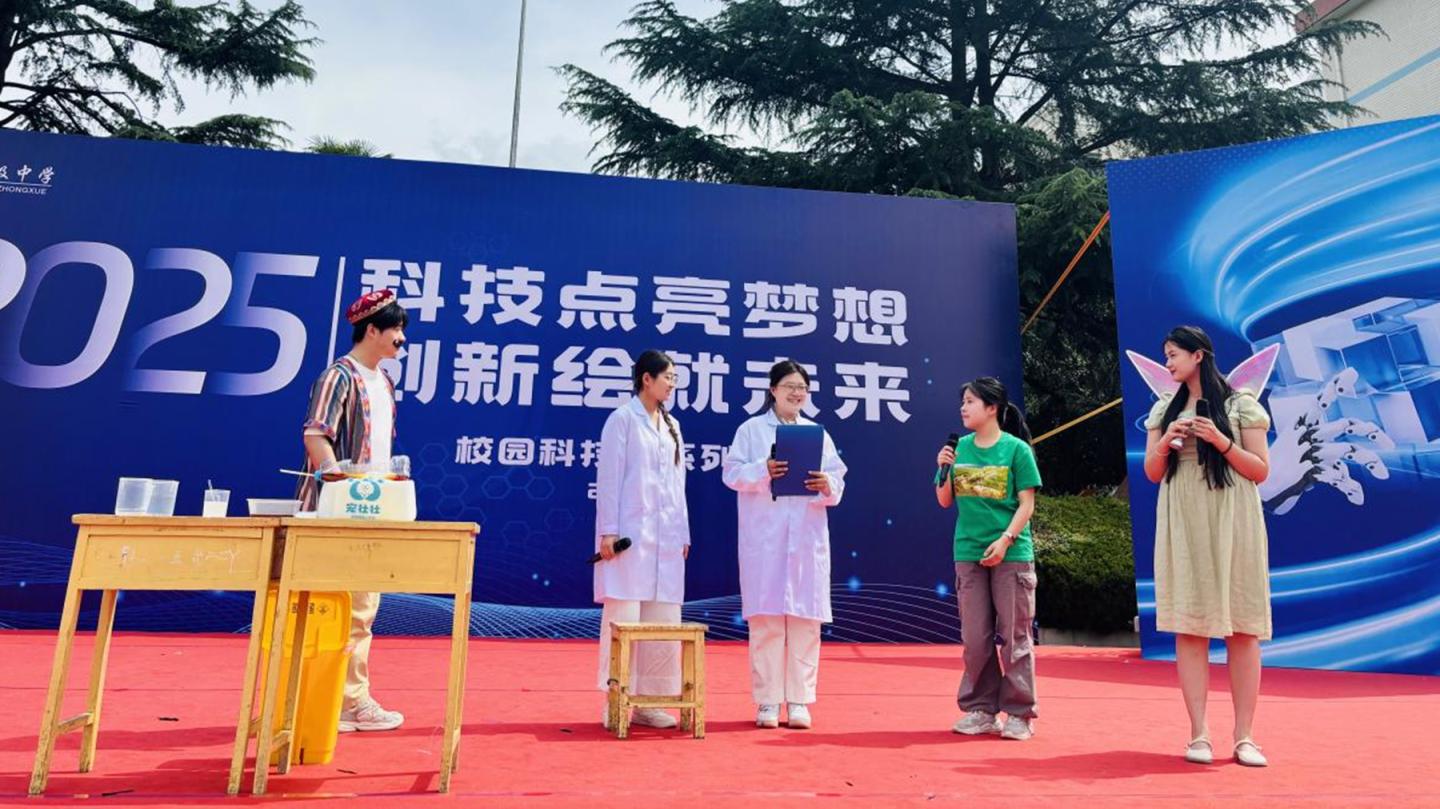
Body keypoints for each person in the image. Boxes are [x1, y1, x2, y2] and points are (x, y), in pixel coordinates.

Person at [1142, 326, 1272, 767]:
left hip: (1234, 516)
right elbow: (1153, 472)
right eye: (1165, 355)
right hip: (1184, 516)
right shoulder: (1165, 407)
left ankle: (1245, 737)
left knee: (1243, 627)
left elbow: (1260, 470)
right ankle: (1198, 734)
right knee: (1191, 626)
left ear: (1198, 356)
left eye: (1173, 354)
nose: (1168, 363)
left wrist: (1220, 440)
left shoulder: (1240, 404)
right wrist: (1166, 441)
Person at [296, 288, 408, 733]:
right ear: (372, 330)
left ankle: (346, 700)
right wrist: (335, 481)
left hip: (372, 509)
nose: (401, 338)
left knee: (362, 609)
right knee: (332, 608)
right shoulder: (338, 376)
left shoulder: (384, 383)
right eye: (396, 329)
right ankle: (332, 701)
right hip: (337, 512)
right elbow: (315, 435)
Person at [723, 360, 847, 730]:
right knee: (767, 622)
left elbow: (838, 480)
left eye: (802, 388)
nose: (796, 393)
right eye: (789, 386)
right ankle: (767, 701)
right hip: (766, 540)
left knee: (806, 622)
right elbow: (731, 473)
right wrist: (763, 470)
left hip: (806, 539)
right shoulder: (751, 430)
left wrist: (826, 484)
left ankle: (799, 701)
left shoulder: (817, 433)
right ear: (773, 390)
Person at [934, 377, 1042, 741]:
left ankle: (1019, 713)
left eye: (970, 401)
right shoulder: (958, 449)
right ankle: (981, 709)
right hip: (968, 552)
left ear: (992, 408)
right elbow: (944, 501)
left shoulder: (1016, 450)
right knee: (975, 638)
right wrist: (943, 467)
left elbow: (1027, 504)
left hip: (1011, 554)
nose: (963, 408)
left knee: (1014, 637)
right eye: (962, 402)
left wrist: (1006, 539)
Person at [594, 350, 692, 729]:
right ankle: (615, 700)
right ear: (646, 379)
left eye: (675, 378)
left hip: (666, 541)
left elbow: (678, 484)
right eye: (667, 377)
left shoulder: (672, 425)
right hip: (630, 537)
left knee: (662, 622)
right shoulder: (622, 419)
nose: (672, 384)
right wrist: (608, 530)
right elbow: (609, 479)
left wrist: (683, 532)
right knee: (624, 618)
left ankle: (650, 703)